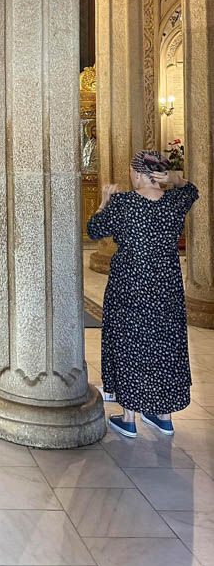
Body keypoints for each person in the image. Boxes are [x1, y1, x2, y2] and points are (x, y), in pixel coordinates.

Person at [87, 149, 198, 438]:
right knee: (164, 344)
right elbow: (192, 189)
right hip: (167, 288)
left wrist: (104, 201)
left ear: (137, 173)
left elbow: (94, 230)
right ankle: (164, 416)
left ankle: (129, 418)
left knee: (130, 343)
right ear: (159, 174)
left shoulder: (123, 203)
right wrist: (175, 178)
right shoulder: (174, 202)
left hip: (130, 287)